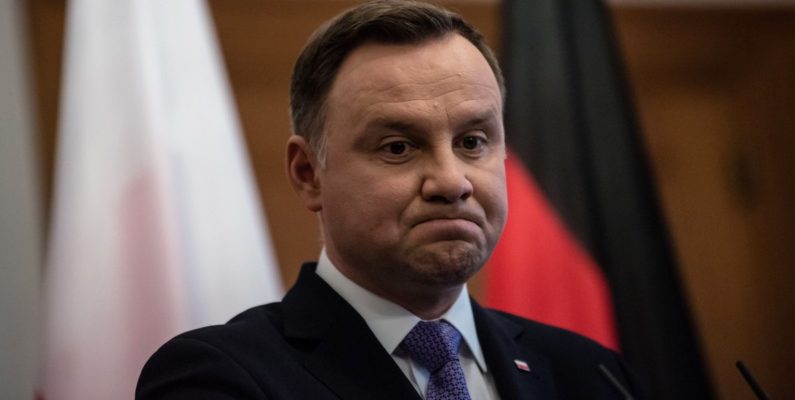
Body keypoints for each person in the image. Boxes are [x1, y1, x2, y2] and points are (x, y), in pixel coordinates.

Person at [137, 1, 643, 399]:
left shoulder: (594, 374)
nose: (451, 181)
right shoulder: (218, 376)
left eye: (472, 142)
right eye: (398, 147)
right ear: (308, 174)